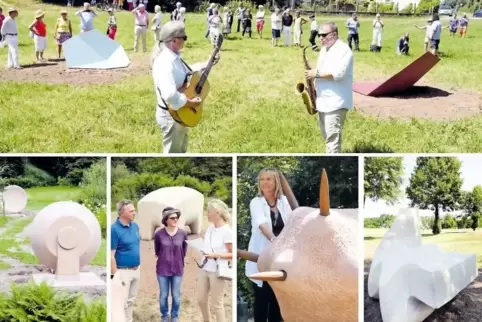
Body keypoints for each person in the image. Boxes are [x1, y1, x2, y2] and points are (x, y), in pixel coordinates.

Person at [151, 21, 221, 153]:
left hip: (180, 114)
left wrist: (209, 62)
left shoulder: (174, 58)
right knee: (173, 154)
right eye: (184, 38)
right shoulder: (164, 62)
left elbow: (188, 72)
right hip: (171, 116)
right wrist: (190, 103)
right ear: (174, 40)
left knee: (181, 152)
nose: (185, 41)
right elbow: (170, 95)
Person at [246, 168, 292, 321]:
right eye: (262, 179)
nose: (265, 182)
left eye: (269, 179)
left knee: (276, 302)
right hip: (263, 258)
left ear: (276, 182)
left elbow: (293, 223)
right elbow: (262, 225)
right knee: (261, 301)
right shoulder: (256, 202)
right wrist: (275, 242)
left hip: (281, 261)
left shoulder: (284, 202)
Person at [305, 22, 353, 153]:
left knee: (332, 139)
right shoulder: (324, 49)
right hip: (323, 100)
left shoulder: (344, 50)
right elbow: (321, 69)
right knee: (327, 137)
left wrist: (317, 73)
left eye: (324, 35)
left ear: (334, 34)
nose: (320, 38)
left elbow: (339, 73)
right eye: (319, 35)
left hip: (336, 102)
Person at [196, 199, 233, 322]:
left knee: (217, 303)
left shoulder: (227, 231)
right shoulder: (210, 228)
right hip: (205, 268)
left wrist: (215, 255)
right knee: (201, 299)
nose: (207, 214)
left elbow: (232, 254)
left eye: (209, 211)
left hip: (217, 271)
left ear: (217, 213)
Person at [155, 207, 188, 322]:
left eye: (177, 217)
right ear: (166, 220)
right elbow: (157, 251)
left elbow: (183, 251)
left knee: (176, 295)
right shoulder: (158, 234)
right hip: (162, 270)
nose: (175, 220)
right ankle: (164, 315)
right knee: (163, 295)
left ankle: (175, 316)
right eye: (172, 218)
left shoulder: (183, 234)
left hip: (178, 269)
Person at [111, 200, 141, 322]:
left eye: (134, 210)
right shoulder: (114, 230)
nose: (135, 213)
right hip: (122, 272)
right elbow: (110, 255)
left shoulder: (135, 226)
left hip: (136, 270)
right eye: (131, 211)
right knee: (120, 303)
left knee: (131, 301)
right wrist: (115, 275)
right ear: (122, 213)